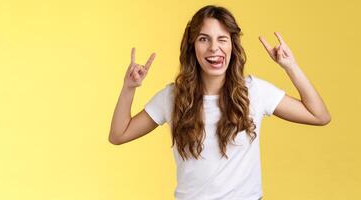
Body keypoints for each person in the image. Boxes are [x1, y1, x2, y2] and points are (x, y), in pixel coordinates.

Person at [108, 5, 331, 200]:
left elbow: (319, 116)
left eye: (222, 39)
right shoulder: (173, 97)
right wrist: (129, 88)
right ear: (192, 47)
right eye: (204, 39)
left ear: (232, 46)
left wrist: (290, 66)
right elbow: (119, 135)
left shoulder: (254, 92)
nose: (214, 48)